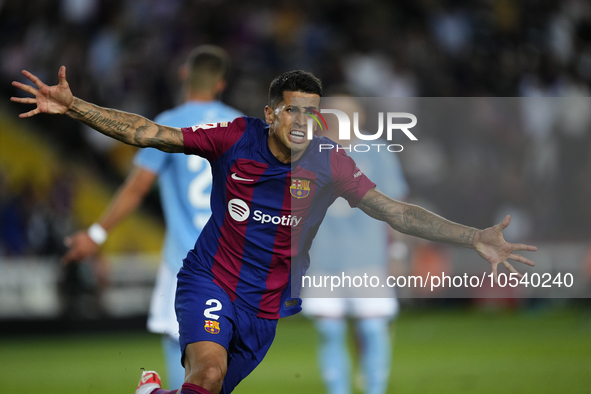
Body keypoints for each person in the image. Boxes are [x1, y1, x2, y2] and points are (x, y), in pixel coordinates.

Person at [11, 67, 537, 394]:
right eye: (293, 111)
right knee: (208, 375)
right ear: (270, 114)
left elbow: (394, 211)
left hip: (266, 308)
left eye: (312, 111)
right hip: (209, 281)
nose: (304, 120)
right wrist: (74, 106)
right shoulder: (236, 139)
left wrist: (473, 237)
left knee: (204, 389)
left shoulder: (330, 162)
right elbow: (152, 133)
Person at [61, 45, 243, 389]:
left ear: (183, 75)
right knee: (216, 366)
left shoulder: (171, 123)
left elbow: (136, 188)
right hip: (232, 264)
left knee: (185, 351)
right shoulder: (240, 125)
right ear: (221, 83)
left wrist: (97, 234)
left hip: (184, 263)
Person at [302, 93, 408, 394]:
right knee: (329, 330)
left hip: (369, 259)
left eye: (352, 114)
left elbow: (396, 208)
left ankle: (373, 390)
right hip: (321, 260)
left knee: (373, 329)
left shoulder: (377, 152)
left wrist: (397, 251)